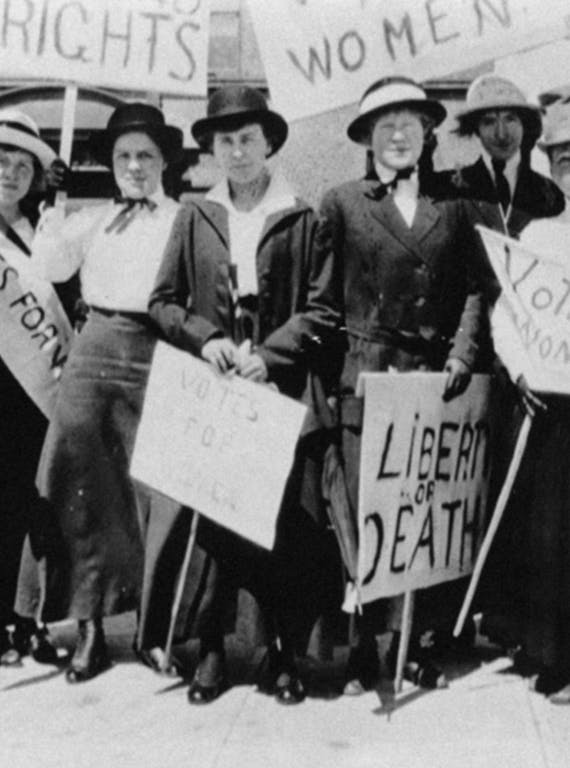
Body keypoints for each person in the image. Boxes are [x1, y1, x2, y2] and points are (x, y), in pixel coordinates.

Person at [149, 85, 341, 705]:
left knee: (279, 523)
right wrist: (205, 340)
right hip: (216, 388)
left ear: (269, 144)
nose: (236, 152)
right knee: (217, 524)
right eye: (224, 141)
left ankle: (280, 654)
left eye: (247, 140)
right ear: (211, 149)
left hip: (277, 386)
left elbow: (323, 307)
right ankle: (210, 649)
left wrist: (270, 355)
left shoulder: (302, 216)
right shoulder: (194, 216)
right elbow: (163, 302)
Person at [313, 75, 485, 694]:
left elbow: (473, 289)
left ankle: (410, 645)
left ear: (428, 131)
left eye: (408, 123)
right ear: (366, 137)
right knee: (364, 521)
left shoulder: (454, 208)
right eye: (384, 126)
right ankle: (363, 650)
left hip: (430, 387)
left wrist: (462, 354)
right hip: (367, 382)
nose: (397, 135)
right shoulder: (341, 202)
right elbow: (324, 301)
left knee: (415, 518)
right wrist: (331, 385)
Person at [14, 102, 184, 682]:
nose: (134, 167)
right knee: (79, 489)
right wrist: (50, 207)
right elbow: (46, 266)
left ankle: (152, 631)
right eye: (123, 156)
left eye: (145, 156)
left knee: (157, 495)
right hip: (93, 353)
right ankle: (88, 629)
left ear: (164, 162)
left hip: (157, 352)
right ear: (110, 164)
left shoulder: (183, 221)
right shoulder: (90, 220)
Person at [444, 75, 565, 650]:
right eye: (487, 121)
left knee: (533, 493)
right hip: (479, 354)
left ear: (526, 127)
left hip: (542, 364)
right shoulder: (453, 188)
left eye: (510, 119)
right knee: (472, 484)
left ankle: (519, 620)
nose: (500, 130)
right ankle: (465, 616)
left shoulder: (550, 195)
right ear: (472, 130)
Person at [489, 98, 570, 704]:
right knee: (551, 535)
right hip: (553, 407)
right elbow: (506, 317)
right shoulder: (540, 235)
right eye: (565, 162)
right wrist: (520, 371)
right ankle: (556, 655)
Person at [0, 109, 64, 666]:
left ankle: (30, 619)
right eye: (2, 160)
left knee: (36, 507)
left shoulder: (40, 231)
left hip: (36, 389)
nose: (11, 173)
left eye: (23, 165)